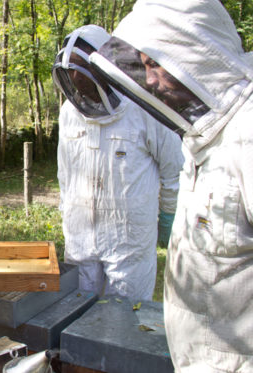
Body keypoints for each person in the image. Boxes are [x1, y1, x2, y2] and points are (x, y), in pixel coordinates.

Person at [88, 0, 253, 371]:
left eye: (155, 65)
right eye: (143, 66)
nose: (148, 81)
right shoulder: (207, 137)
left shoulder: (248, 136)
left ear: (193, 50)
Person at [51, 25, 184, 300]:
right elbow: (65, 171)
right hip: (80, 238)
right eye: (71, 74)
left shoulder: (146, 109)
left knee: (125, 321)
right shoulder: (68, 113)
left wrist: (170, 217)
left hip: (129, 241)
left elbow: (175, 170)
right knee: (77, 315)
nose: (77, 81)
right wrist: (66, 210)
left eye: (83, 72)